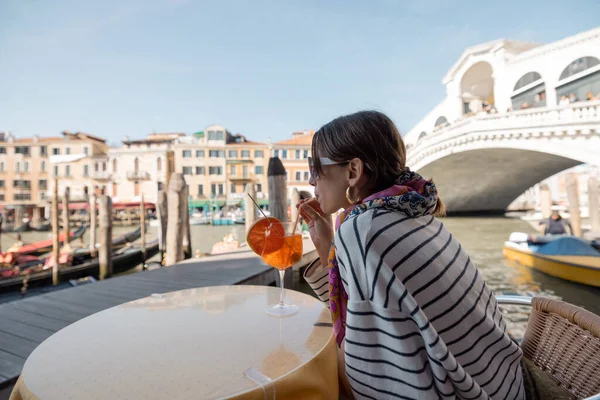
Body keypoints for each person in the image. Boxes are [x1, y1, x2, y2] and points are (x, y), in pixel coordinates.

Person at [300, 111, 523, 399]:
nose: (311, 180)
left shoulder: (362, 229)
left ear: (353, 171)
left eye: (316, 168)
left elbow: (368, 373)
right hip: (506, 383)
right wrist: (327, 248)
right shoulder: (411, 209)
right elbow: (374, 314)